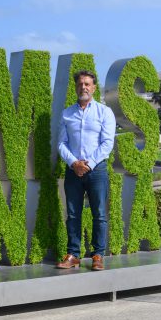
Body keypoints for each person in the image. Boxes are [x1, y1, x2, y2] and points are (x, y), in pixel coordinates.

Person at [57, 69, 116, 271]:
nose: (84, 87)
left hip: (96, 171)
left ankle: (98, 255)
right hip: (73, 171)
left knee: (99, 213)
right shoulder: (67, 113)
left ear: (94, 87)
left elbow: (107, 143)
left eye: (87, 84)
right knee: (73, 214)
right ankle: (73, 254)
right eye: (80, 84)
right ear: (76, 87)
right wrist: (74, 163)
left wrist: (88, 164)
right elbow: (61, 144)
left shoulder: (104, 112)